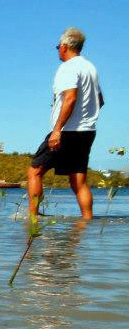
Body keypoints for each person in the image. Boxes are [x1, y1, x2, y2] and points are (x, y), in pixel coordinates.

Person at [27, 27, 104, 220]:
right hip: (87, 131)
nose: (57, 51)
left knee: (35, 171)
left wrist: (57, 130)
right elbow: (100, 101)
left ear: (64, 46)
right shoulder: (90, 68)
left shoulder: (68, 68)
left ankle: (33, 219)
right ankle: (87, 221)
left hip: (67, 130)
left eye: (57, 47)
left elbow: (70, 98)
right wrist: (85, 117)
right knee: (79, 180)